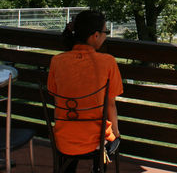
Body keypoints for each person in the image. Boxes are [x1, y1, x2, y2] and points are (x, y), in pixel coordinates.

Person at [47, 10, 123, 172]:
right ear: (95, 35)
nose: (106, 36)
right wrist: (116, 133)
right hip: (96, 141)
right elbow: (110, 105)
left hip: (63, 139)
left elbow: (56, 99)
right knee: (109, 138)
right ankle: (98, 169)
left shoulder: (57, 61)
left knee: (72, 147)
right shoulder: (108, 62)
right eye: (105, 32)